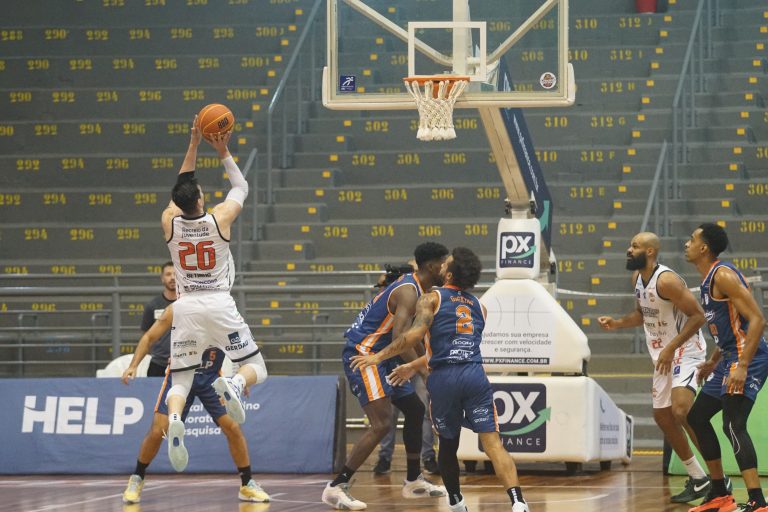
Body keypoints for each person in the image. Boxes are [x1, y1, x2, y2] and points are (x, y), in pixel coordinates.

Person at [351, 247, 529, 512]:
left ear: (448, 274)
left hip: (444, 378)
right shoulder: (480, 307)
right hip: (474, 376)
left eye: (447, 263)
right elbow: (457, 348)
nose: (443, 264)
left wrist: (378, 356)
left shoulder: (431, 299)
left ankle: (456, 502)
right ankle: (518, 502)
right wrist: (413, 365)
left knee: (447, 443)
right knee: (493, 444)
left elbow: (413, 337)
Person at [161, 119, 268, 472]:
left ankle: (174, 420)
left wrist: (192, 144)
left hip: (186, 308)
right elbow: (241, 186)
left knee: (181, 380)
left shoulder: (169, 221)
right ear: (200, 199)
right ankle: (234, 384)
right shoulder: (220, 218)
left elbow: (181, 187)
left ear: (177, 203)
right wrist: (222, 150)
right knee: (256, 367)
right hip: (219, 303)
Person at [321, 243, 450, 510]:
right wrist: (422, 370)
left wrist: (424, 366)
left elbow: (410, 339)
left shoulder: (418, 288)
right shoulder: (409, 292)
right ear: (430, 266)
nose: (446, 269)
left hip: (383, 355)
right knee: (381, 424)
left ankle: (413, 480)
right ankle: (336, 487)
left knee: (414, 410)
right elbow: (399, 338)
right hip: (364, 355)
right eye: (443, 264)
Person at [597, 232, 714, 503]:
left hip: (686, 350)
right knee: (662, 417)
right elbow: (642, 314)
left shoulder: (667, 280)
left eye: (635, 246)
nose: (629, 249)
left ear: (650, 251)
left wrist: (671, 347)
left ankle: (719, 479)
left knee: (681, 410)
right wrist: (616, 323)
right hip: (663, 355)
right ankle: (699, 478)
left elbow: (698, 316)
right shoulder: (637, 279)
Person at [120, 305, 269, 504]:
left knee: (233, 427)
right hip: (180, 375)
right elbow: (149, 337)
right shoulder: (176, 309)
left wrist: (242, 379)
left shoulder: (221, 306)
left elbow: (239, 343)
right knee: (159, 430)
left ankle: (247, 483)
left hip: (210, 378)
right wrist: (133, 365)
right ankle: (137, 478)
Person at [684, 223, 768, 512]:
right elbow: (731, 328)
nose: (687, 244)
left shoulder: (723, 275)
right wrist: (713, 361)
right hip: (729, 356)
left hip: (749, 357)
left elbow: (757, 320)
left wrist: (742, 366)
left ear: (704, 247)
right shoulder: (708, 279)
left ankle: (757, 501)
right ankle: (720, 494)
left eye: (692, 240)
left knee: (733, 424)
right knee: (696, 417)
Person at [373, 262, 439, 477]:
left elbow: (414, 337)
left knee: (421, 410)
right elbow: (398, 337)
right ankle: (385, 457)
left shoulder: (417, 296)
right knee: (390, 413)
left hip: (410, 360)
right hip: (391, 362)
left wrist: (421, 365)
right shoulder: (394, 297)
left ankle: (427, 457)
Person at [141, 261, 177, 377]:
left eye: (175, 274)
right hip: (158, 364)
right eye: (168, 274)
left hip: (184, 363)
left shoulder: (189, 304)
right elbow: (146, 336)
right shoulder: (153, 305)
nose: (172, 278)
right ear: (162, 278)